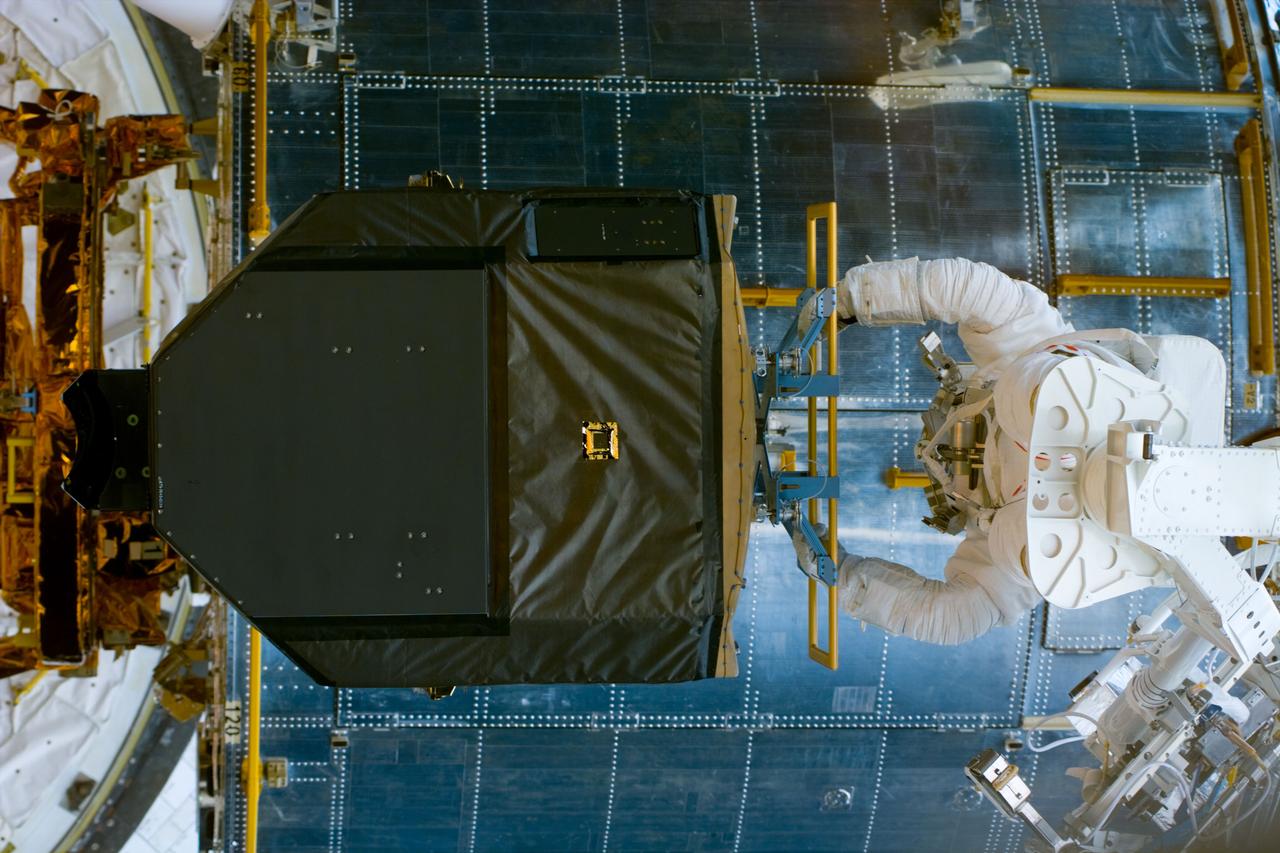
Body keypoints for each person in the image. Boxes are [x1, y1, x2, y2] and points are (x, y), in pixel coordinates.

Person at [792, 257, 1225, 644]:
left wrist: (840, 575)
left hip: (1024, 511)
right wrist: (849, 300)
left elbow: (947, 617)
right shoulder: (1032, 345)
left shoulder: (1029, 558)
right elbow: (967, 288)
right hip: (1025, 461)